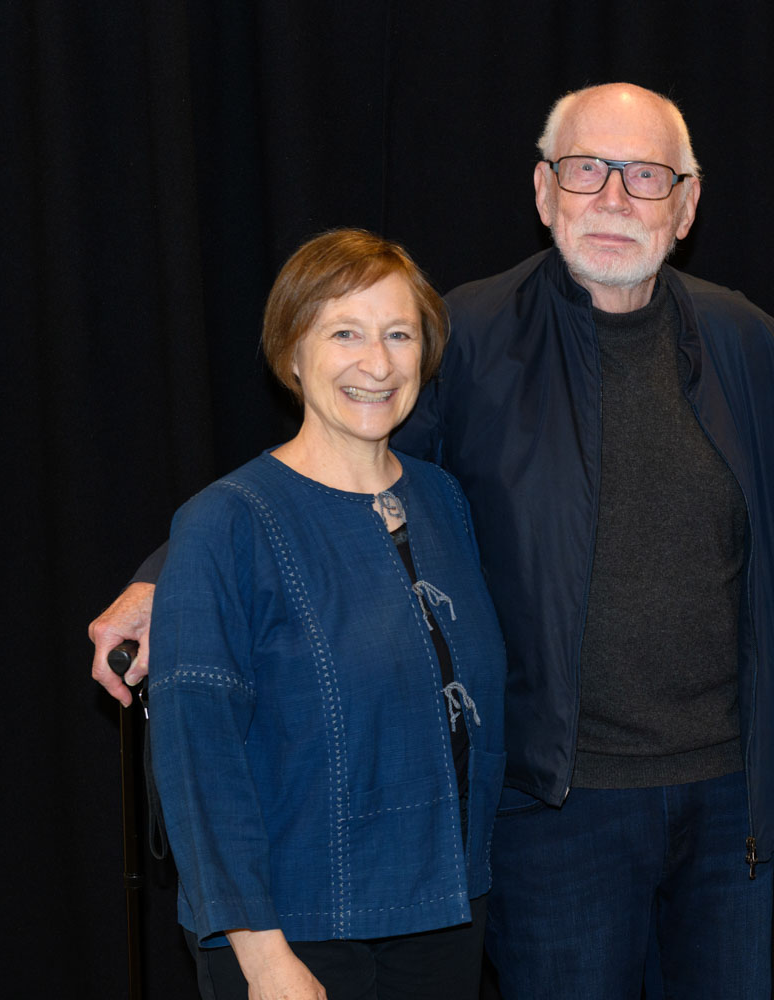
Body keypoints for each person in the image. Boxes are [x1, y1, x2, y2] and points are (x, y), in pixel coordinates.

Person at [91, 84, 774, 997]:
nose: (615, 198)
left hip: (726, 806)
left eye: (647, 175)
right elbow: (331, 469)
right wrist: (168, 584)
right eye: (587, 171)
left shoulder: (759, 350)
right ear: (545, 191)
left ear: (688, 202)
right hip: (552, 811)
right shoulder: (462, 339)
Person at [146, 229, 506, 1000]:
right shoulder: (225, 524)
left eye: (399, 335)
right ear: (292, 353)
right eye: (344, 332)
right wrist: (264, 957)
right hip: (297, 934)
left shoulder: (441, 500)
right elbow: (197, 759)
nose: (377, 364)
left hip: (445, 917)